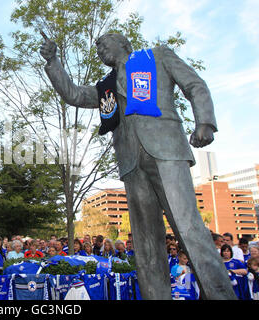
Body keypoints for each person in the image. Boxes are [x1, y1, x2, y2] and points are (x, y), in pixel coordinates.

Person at [40, 31, 236, 300]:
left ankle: (220, 296)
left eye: (103, 42)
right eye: (96, 46)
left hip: (167, 152)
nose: (98, 48)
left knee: (188, 227)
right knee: (145, 242)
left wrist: (204, 122)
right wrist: (53, 62)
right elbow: (74, 94)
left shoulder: (157, 57)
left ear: (123, 43)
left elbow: (195, 85)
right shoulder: (105, 87)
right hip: (132, 163)